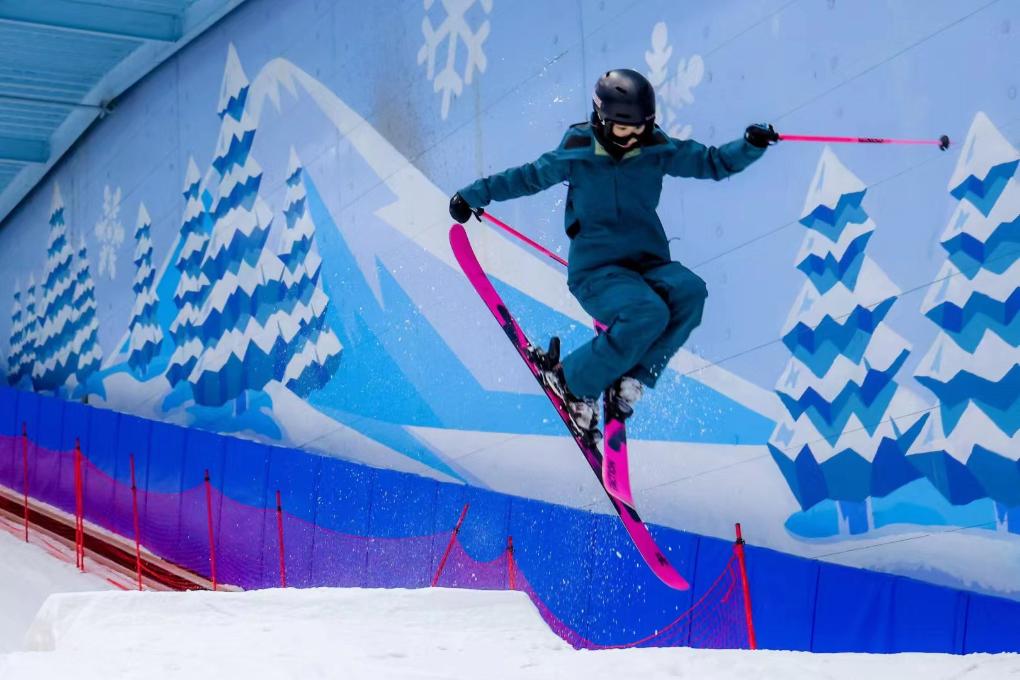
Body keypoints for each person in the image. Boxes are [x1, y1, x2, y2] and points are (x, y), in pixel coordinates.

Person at [449, 68, 776, 439]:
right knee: (647, 312)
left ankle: (629, 380)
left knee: (690, 292)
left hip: (648, 266)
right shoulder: (577, 151)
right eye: (624, 130)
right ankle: (571, 380)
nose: (633, 138)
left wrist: (751, 144)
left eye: (641, 128)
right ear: (601, 119)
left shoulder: (656, 149)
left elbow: (713, 162)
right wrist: (472, 195)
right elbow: (525, 177)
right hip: (598, 272)